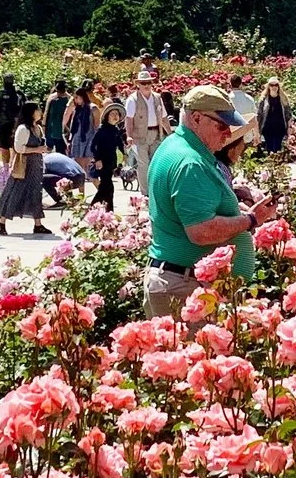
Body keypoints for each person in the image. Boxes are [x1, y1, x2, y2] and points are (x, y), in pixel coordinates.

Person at [143, 85, 272, 319]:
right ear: (196, 118)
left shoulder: (177, 145)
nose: (228, 133)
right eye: (221, 125)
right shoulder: (190, 162)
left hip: (180, 281)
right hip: (183, 287)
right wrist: (251, 220)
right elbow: (201, 231)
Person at [0, 112, 52, 236]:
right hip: (24, 165)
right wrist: (36, 149)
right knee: (14, 192)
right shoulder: (23, 128)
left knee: (36, 193)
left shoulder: (38, 128)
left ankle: (38, 224)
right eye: (37, 110)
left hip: (36, 165)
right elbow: (18, 148)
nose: (40, 113)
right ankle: (1, 221)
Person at [125, 67, 171, 184]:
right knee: (143, 164)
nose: (146, 85)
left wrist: (170, 134)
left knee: (156, 163)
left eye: (149, 82)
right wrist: (129, 136)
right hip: (139, 135)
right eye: (143, 83)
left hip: (156, 134)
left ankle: (155, 189)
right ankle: (145, 193)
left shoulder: (157, 97)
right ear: (138, 84)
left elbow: (164, 117)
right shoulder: (132, 99)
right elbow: (129, 119)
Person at [93, 99, 128, 211]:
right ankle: (106, 209)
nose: (115, 116)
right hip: (102, 161)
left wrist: (124, 154)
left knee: (105, 187)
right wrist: (97, 159)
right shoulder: (101, 130)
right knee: (107, 186)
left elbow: (120, 143)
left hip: (111, 161)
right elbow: (93, 146)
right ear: (107, 116)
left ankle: (99, 208)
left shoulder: (116, 130)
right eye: (112, 114)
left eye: (117, 114)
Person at [0, 73, 27, 152]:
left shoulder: (18, 94)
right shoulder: (0, 94)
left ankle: (10, 164)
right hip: (7, 123)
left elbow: (25, 108)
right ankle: (6, 164)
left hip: (14, 124)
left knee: (12, 146)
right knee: (6, 146)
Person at [65, 79, 98, 165]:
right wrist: (70, 140)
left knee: (87, 162)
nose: (75, 100)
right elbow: (73, 124)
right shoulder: (77, 109)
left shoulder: (93, 108)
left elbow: (97, 125)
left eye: (77, 97)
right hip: (77, 137)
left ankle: (87, 177)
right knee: (77, 161)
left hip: (89, 137)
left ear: (82, 97)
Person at [258, 77, 291, 156]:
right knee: (269, 148)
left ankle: (277, 165)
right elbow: (259, 114)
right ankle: (271, 165)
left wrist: (289, 126)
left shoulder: (283, 99)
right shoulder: (263, 99)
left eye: (276, 85)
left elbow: (288, 114)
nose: (274, 87)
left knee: (277, 148)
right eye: (272, 85)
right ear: (268, 86)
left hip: (280, 127)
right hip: (267, 128)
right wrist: (257, 129)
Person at [43, 77, 71, 152]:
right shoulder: (69, 98)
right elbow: (46, 112)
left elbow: (46, 113)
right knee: (56, 149)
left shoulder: (53, 98)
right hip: (55, 128)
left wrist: (44, 125)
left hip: (57, 128)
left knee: (58, 149)